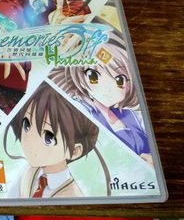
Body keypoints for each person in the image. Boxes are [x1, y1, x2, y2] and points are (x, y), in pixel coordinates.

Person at [49, 31, 152, 165]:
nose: (107, 89)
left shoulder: (133, 116)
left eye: (119, 80)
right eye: (93, 76)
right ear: (81, 79)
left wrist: (150, 158)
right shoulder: (80, 110)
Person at [4, 82, 109, 198]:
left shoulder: (73, 196)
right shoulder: (27, 172)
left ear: (74, 151)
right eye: (26, 125)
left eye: (48, 138)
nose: (29, 142)